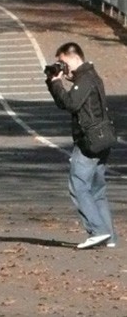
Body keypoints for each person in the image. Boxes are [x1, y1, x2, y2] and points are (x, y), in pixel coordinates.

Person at [46, 42, 116, 249]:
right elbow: (65, 102)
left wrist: (59, 84)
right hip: (102, 138)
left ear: (73, 57)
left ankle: (98, 231)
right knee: (96, 190)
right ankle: (108, 237)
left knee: (78, 186)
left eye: (62, 62)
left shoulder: (86, 79)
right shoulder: (88, 77)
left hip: (89, 142)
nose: (61, 66)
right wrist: (54, 83)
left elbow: (71, 104)